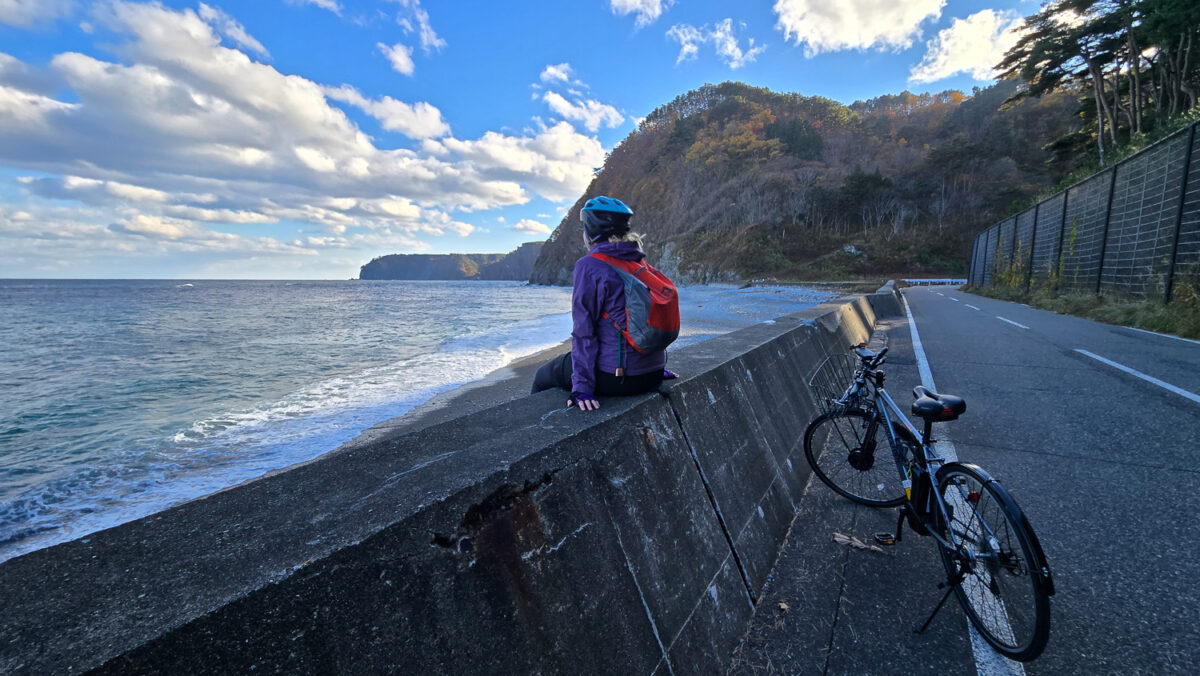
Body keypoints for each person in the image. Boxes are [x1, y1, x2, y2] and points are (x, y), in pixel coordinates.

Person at [531, 196, 676, 411]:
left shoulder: (590, 266)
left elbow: (584, 332)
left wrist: (582, 388)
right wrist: (653, 367)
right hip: (653, 374)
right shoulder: (637, 261)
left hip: (619, 377)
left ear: (590, 231)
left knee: (543, 375)